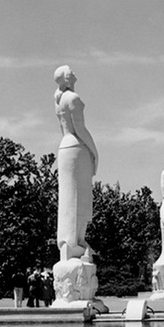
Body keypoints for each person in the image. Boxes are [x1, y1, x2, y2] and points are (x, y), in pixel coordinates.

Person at [54, 65, 99, 262]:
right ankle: (75, 240)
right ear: (65, 78)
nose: (73, 71)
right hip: (77, 147)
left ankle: (71, 240)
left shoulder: (59, 100)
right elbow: (80, 129)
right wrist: (95, 152)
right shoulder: (72, 99)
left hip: (65, 147)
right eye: (69, 71)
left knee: (69, 196)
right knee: (78, 197)